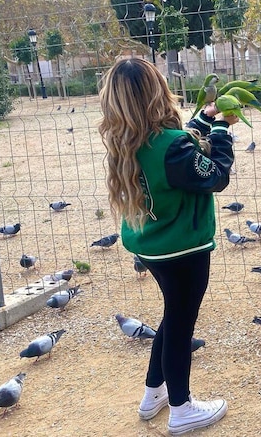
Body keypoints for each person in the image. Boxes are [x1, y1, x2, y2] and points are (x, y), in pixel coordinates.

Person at [98, 57, 236, 435]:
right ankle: (182, 409)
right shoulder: (171, 147)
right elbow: (215, 176)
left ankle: (153, 393)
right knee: (180, 323)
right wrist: (222, 130)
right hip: (182, 250)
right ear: (157, 91)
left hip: (151, 247)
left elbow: (180, 151)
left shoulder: (130, 141)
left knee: (172, 314)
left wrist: (205, 119)